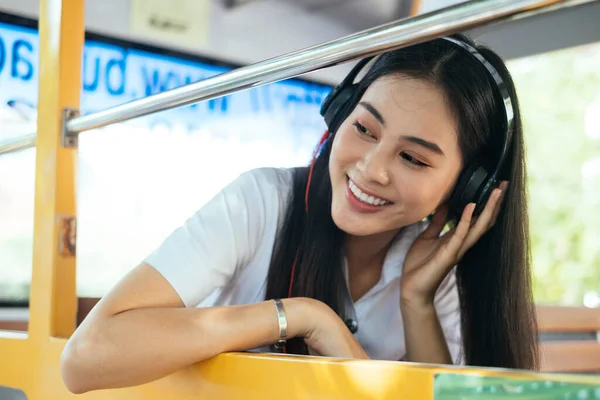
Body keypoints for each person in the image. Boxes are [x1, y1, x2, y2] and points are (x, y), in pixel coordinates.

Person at [60, 33, 539, 394]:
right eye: (365, 129)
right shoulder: (262, 202)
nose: (371, 169)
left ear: (466, 186)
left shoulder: (436, 273)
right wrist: (303, 316)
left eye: (412, 158)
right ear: (339, 115)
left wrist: (417, 300)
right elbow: (84, 358)